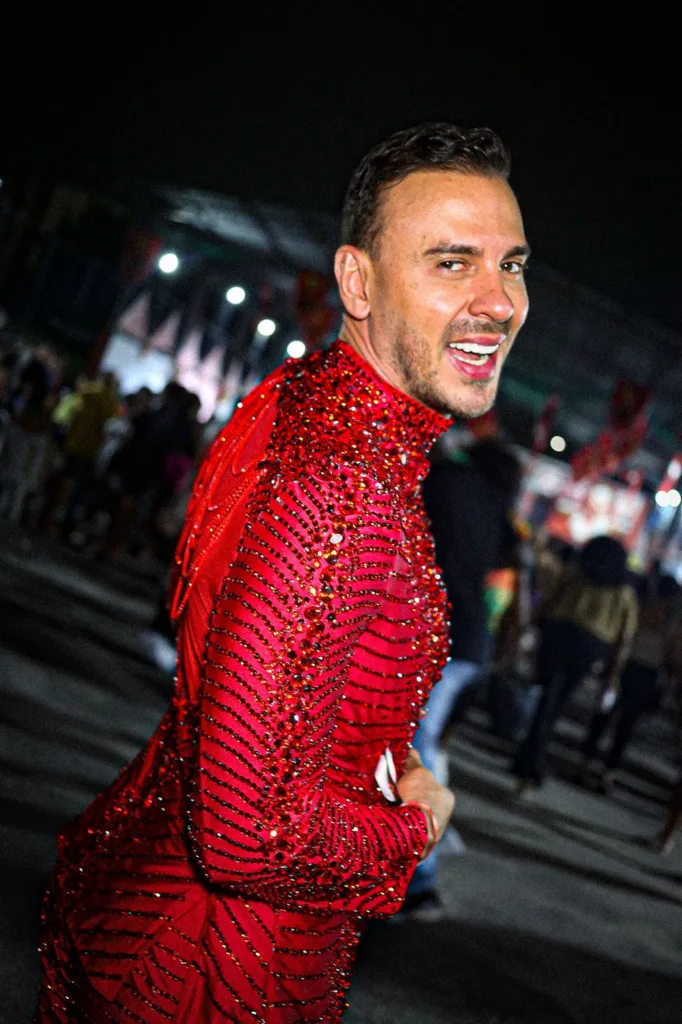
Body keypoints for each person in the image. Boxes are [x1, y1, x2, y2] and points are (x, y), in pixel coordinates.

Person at [36, 120, 530, 1022]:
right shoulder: (344, 486)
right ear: (357, 281)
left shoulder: (314, 406)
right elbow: (244, 832)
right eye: (453, 263)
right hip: (219, 967)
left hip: (169, 915)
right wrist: (416, 826)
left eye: (513, 265)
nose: (499, 302)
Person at [400, 438, 524, 918]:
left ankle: (422, 877)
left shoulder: (443, 481)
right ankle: (424, 850)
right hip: (469, 640)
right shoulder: (498, 510)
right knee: (420, 742)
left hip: (435, 632)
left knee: (418, 746)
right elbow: (508, 579)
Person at [512, 535, 638, 793]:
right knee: (556, 702)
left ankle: (529, 757)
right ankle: (531, 758)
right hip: (590, 647)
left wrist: (528, 628)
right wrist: (613, 674)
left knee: (546, 697)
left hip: (558, 634)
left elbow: (547, 600)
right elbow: (623, 639)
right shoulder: (624, 593)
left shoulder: (575, 573)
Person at [581, 573, 682, 793]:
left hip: (631, 669)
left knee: (611, 718)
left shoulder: (644, 610)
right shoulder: (666, 619)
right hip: (640, 672)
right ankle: (602, 770)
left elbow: (623, 636)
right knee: (618, 722)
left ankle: (591, 765)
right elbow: (673, 654)